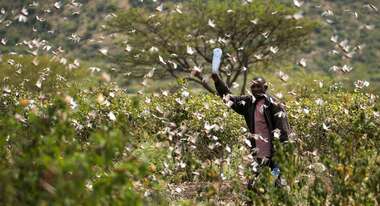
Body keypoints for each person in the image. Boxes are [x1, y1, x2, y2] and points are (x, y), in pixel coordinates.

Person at [211, 73, 290, 190]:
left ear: (265, 88)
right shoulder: (248, 103)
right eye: (253, 87)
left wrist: (280, 151)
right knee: (253, 185)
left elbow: (283, 130)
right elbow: (229, 98)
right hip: (258, 153)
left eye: (258, 86)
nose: (255, 89)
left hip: (275, 154)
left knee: (278, 182)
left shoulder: (274, 105)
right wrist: (218, 81)